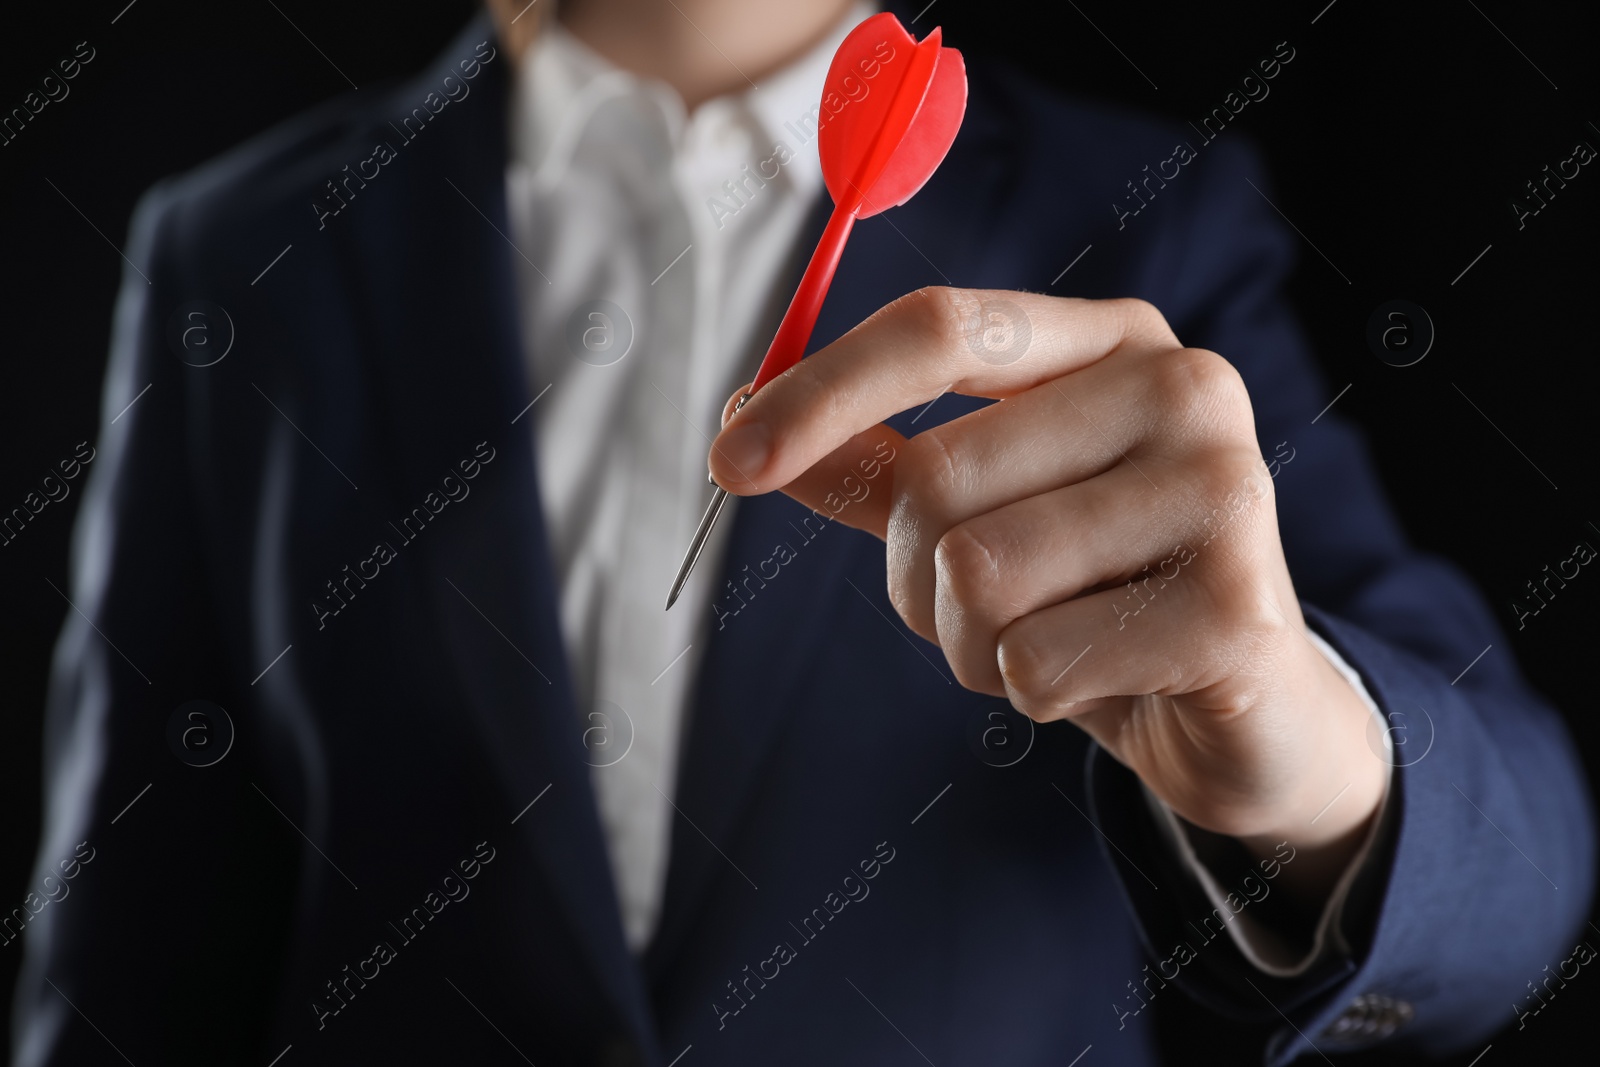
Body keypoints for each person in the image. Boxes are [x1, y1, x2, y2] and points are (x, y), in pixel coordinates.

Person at [11, 1, 1593, 1064]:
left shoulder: (1146, 218)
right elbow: (126, 966)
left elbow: (1516, 861)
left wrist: (1296, 742)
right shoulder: (240, 253)